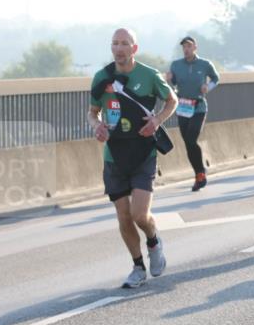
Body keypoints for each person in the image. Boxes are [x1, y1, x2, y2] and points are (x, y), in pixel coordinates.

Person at [87, 28, 177, 288]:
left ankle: (153, 241)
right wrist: (97, 125)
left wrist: (157, 120)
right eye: (115, 43)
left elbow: (172, 100)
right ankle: (137, 266)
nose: (119, 48)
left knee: (139, 214)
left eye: (125, 43)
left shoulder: (149, 76)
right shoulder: (102, 78)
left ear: (134, 49)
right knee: (123, 216)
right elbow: (93, 112)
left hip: (143, 152)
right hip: (114, 154)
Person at [166, 36, 219, 191]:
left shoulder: (205, 64)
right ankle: (199, 174)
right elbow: (174, 83)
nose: (186, 49)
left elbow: (216, 78)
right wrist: (170, 79)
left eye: (189, 46)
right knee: (188, 143)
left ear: (195, 47)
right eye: (184, 47)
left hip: (198, 106)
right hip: (183, 106)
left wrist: (208, 87)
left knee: (191, 138)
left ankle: (201, 172)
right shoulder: (176, 65)